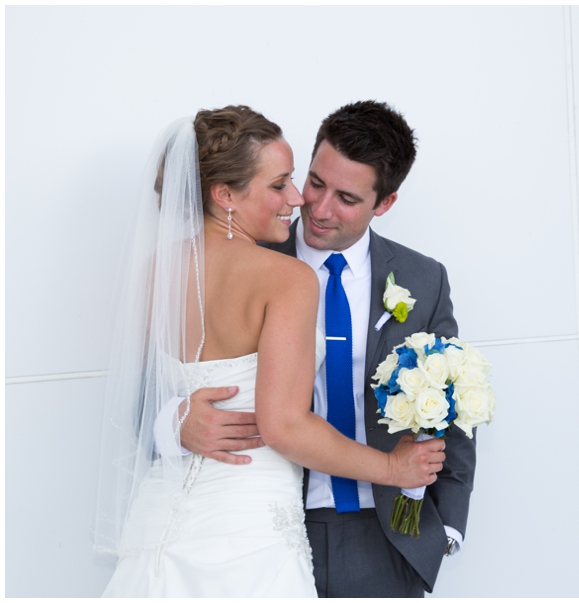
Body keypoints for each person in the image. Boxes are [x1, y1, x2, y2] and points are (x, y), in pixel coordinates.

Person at [95, 105, 445, 597]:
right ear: (225, 195)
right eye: (282, 184)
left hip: (165, 521)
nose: (301, 199)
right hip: (252, 523)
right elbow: (284, 426)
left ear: (382, 202)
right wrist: (391, 468)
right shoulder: (286, 276)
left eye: (342, 195)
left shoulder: (159, 271)